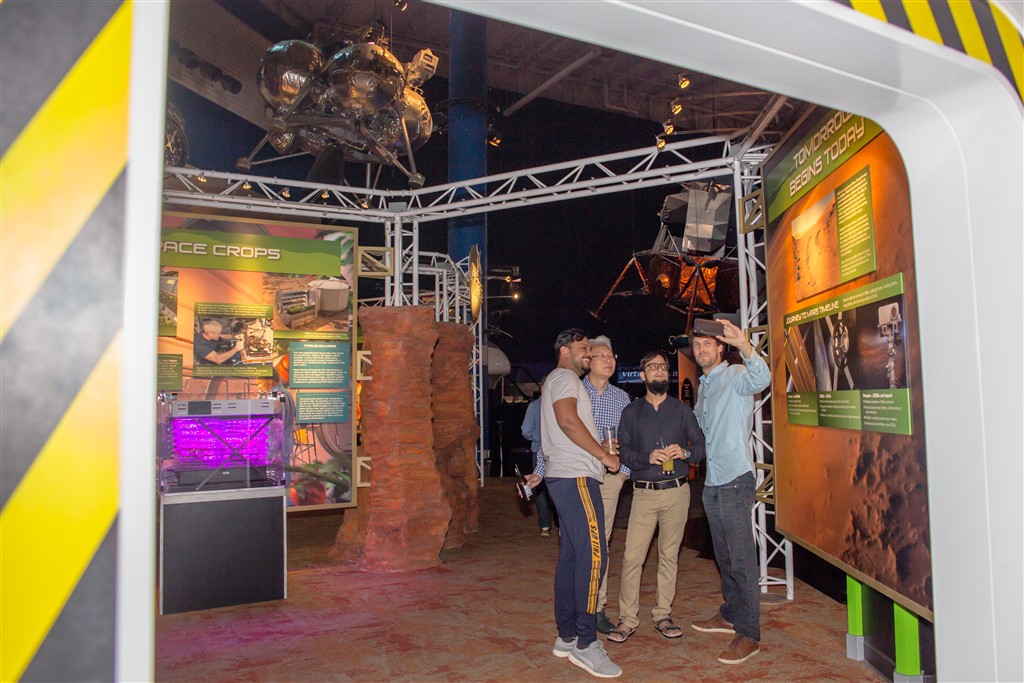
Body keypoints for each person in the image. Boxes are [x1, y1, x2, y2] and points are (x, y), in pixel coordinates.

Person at [535, 328, 622, 679]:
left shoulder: (559, 380)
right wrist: (604, 455)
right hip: (576, 477)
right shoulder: (565, 378)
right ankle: (586, 643)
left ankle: (567, 636)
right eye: (583, 347)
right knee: (594, 557)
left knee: (572, 558)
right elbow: (568, 421)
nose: (588, 352)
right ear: (564, 350)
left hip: (565, 476)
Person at [607, 351, 705, 644]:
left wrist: (685, 452)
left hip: (677, 493)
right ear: (643, 375)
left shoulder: (682, 411)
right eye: (653, 367)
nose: (660, 371)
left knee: (669, 556)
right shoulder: (631, 412)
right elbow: (623, 452)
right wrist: (647, 457)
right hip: (644, 494)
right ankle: (627, 619)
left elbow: (701, 447)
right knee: (632, 558)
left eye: (663, 367)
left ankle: (663, 615)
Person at [689, 319, 771, 665]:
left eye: (707, 344)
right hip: (712, 483)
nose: (701, 350)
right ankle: (730, 614)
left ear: (720, 348)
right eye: (696, 345)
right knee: (723, 558)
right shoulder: (705, 387)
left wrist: (745, 345)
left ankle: (749, 634)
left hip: (736, 479)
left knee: (741, 560)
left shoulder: (736, 374)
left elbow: (762, 378)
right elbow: (699, 433)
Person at [581, 336, 633, 634]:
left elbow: (629, 440)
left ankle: (597, 607)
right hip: (579, 476)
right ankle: (579, 604)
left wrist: (623, 473)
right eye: (601, 356)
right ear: (588, 361)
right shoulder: (575, 391)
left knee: (601, 542)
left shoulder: (621, 398)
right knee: (578, 541)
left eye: (611, 356)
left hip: (611, 479)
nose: (608, 360)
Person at [521, 381, 555, 537]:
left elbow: (526, 431)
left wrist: (536, 437)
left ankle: (545, 527)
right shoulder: (561, 405)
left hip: (538, 449)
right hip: (558, 451)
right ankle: (562, 525)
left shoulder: (534, 406)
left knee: (540, 489)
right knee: (558, 486)